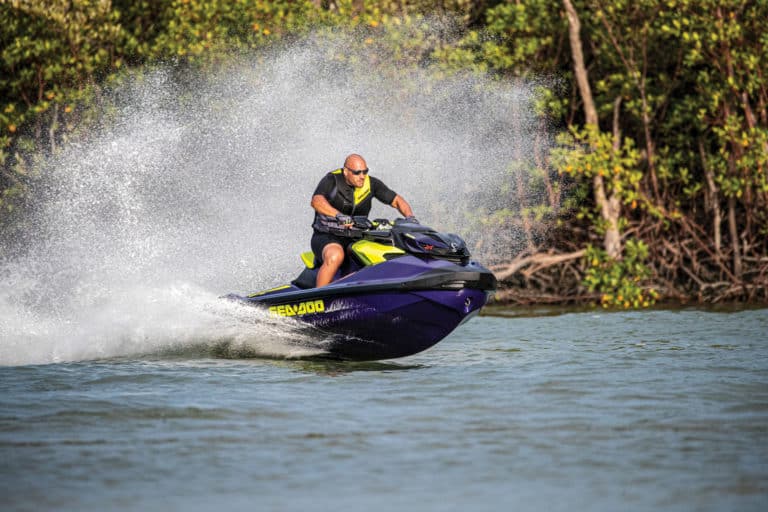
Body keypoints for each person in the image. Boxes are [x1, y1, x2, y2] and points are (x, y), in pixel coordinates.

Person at [310, 154, 416, 287]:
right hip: (327, 236)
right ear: (346, 172)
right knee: (335, 255)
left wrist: (410, 218)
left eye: (365, 171)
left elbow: (396, 200)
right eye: (357, 172)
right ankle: (321, 298)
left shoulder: (371, 183)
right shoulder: (332, 180)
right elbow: (316, 201)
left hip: (357, 238)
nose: (362, 176)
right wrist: (339, 216)